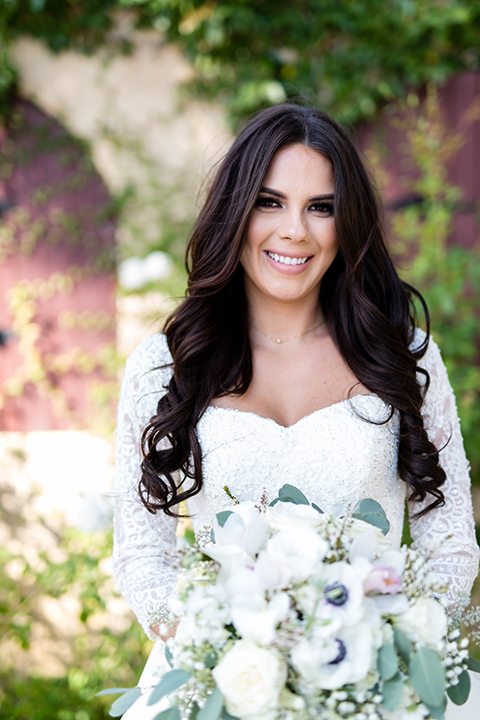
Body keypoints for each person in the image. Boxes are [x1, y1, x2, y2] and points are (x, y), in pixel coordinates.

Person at [113, 104, 479, 719]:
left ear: (347, 221)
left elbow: (450, 545)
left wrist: (383, 644)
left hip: (379, 690)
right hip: (225, 685)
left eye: (322, 207)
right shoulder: (163, 369)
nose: (295, 232)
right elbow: (142, 555)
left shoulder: (404, 358)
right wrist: (225, 644)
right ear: (236, 212)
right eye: (270, 202)